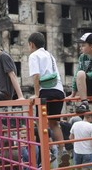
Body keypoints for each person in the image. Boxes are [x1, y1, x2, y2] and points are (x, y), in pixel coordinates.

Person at [28, 32, 70, 167]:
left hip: (46, 92)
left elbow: (36, 76)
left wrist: (36, 94)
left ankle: (49, 150)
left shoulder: (34, 55)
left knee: (40, 123)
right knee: (54, 123)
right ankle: (62, 150)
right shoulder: (50, 55)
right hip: (59, 91)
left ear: (32, 44)